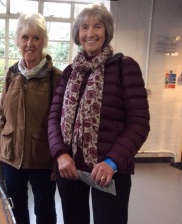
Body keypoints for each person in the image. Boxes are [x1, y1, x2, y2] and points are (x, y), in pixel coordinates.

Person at [48, 4, 150, 224]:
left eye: (98, 26)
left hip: (109, 171)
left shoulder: (125, 67)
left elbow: (139, 123)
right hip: (70, 169)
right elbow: (54, 117)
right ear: (78, 34)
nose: (90, 33)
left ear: (107, 32)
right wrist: (60, 154)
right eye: (84, 27)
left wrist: (112, 162)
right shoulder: (69, 72)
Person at [0, 13, 62, 224]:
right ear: (18, 42)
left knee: (45, 210)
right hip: (11, 156)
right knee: (16, 209)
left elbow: (62, 122)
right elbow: (2, 115)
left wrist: (58, 159)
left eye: (36, 38)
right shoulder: (11, 74)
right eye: (25, 38)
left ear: (43, 42)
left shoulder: (56, 77)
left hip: (42, 158)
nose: (29, 44)